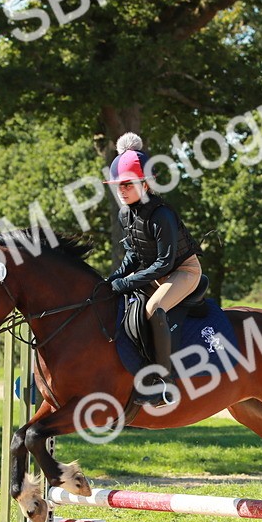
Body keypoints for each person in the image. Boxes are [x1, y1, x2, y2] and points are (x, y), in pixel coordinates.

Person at [103, 132, 203, 407]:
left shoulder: (162, 215)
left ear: (145, 184)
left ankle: (165, 382)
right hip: (156, 272)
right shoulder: (125, 214)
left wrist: (128, 282)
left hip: (183, 271)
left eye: (127, 184)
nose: (121, 190)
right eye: (118, 185)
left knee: (153, 308)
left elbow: (165, 262)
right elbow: (134, 254)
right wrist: (113, 279)